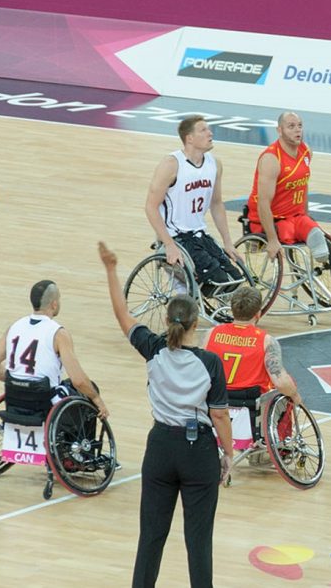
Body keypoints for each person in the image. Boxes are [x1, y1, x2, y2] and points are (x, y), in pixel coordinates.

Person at [99, 241, 232, 588]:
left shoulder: (153, 349)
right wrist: (228, 453)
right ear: (195, 321)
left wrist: (112, 270)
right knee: (198, 541)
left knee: (151, 537)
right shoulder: (209, 362)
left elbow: (122, 316)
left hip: (159, 446)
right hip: (198, 450)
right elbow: (219, 416)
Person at [145, 115, 244, 293]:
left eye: (209, 129)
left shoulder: (215, 164)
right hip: (176, 237)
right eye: (203, 130)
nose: (210, 133)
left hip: (200, 235)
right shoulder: (171, 164)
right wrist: (168, 244)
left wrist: (228, 242)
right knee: (218, 283)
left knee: (236, 280)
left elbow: (216, 204)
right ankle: (185, 300)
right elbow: (151, 207)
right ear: (190, 138)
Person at [0, 279, 109, 418]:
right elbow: (78, 380)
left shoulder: (14, 327)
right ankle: (75, 440)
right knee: (88, 390)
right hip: (45, 403)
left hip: (15, 401)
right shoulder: (58, 333)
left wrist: (20, 383)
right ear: (54, 304)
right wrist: (97, 399)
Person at [245, 111, 329, 264]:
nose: (297, 130)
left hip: (296, 216)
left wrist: (306, 214)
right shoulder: (271, 159)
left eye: (299, 126)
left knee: (318, 236)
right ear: (279, 130)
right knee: (290, 236)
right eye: (291, 126)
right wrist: (271, 240)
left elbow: (303, 184)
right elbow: (263, 202)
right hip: (274, 220)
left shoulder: (306, 151)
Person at [202, 285, 303, 406]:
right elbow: (281, 383)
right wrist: (295, 396)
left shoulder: (211, 334)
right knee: (288, 383)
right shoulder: (266, 341)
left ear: (232, 310)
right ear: (258, 314)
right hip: (248, 406)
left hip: (215, 403)